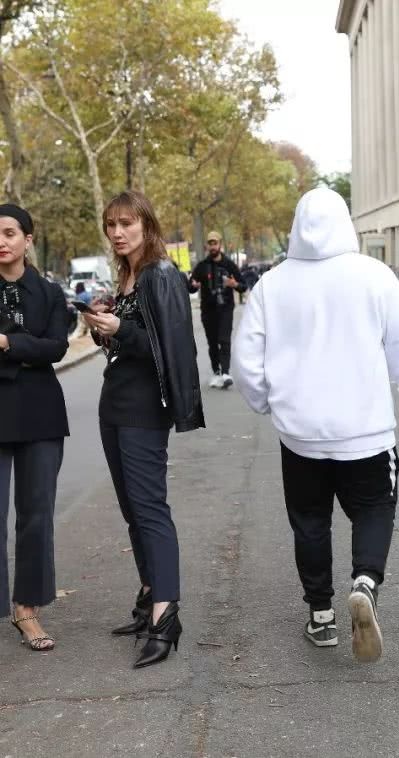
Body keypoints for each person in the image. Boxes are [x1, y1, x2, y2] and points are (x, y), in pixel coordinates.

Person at [233, 187, 399, 662]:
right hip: (364, 430)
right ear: (347, 222)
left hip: (299, 434)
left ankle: (320, 616)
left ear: (296, 226)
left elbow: (245, 364)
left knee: (309, 522)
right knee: (374, 509)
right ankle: (365, 581)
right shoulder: (375, 277)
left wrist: (270, 405)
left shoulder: (271, 285)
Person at [82, 191, 205, 669]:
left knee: (150, 509)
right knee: (134, 511)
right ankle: (150, 591)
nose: (117, 232)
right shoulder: (127, 276)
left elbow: (169, 346)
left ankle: (165, 614)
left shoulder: (161, 274)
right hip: (113, 407)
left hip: (143, 412)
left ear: (146, 225)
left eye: (126, 223)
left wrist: (122, 330)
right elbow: (131, 343)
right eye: (111, 224)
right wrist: (102, 327)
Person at [0, 204, 69, 652]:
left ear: (28, 239)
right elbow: (40, 347)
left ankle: (27, 609)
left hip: (40, 413)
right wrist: (29, 349)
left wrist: (8, 343)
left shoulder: (48, 293)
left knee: (36, 514)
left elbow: (57, 347)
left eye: (9, 232)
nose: (1, 241)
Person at [189, 231, 245, 389]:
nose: (213, 247)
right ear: (207, 246)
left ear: (220, 244)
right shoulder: (202, 266)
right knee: (213, 343)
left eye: (215, 243)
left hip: (226, 309)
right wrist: (193, 286)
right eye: (210, 244)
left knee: (224, 340)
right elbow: (191, 286)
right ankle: (216, 372)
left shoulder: (229, 265)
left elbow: (243, 285)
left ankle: (226, 373)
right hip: (208, 311)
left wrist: (235, 285)